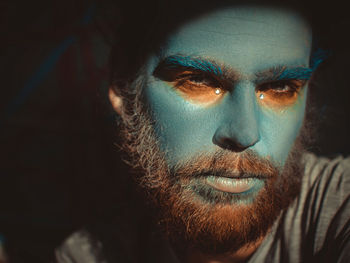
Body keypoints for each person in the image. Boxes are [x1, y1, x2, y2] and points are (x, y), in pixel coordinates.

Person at [54, 0, 350, 262]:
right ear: (123, 84)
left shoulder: (339, 205)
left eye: (280, 88)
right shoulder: (87, 255)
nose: (245, 134)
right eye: (199, 81)